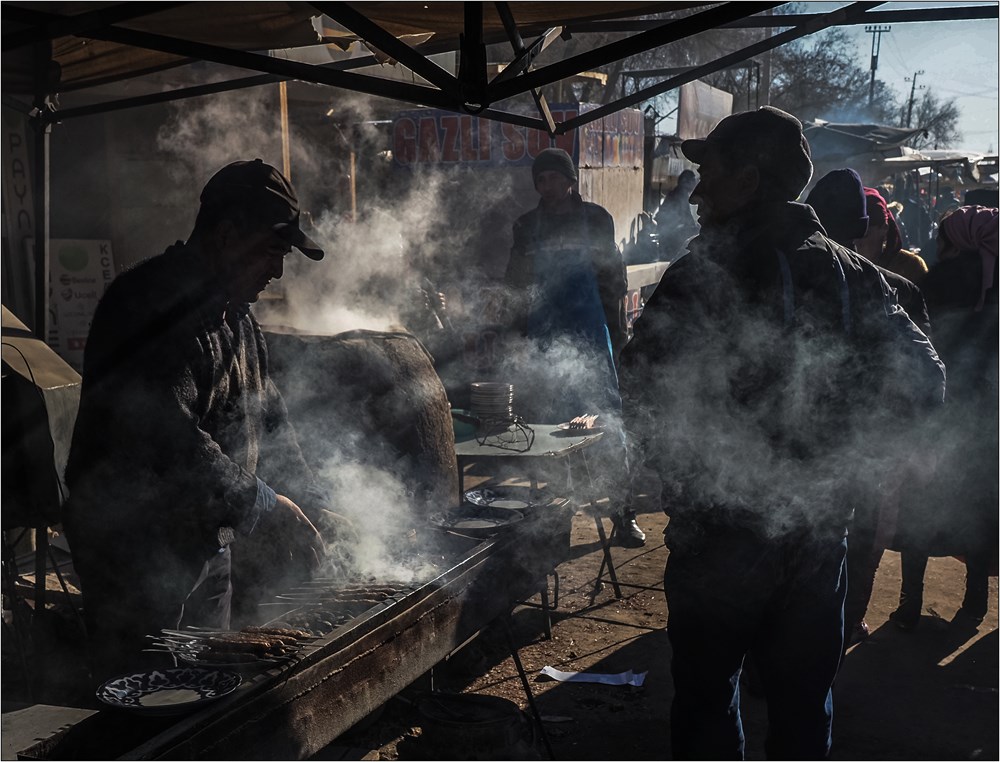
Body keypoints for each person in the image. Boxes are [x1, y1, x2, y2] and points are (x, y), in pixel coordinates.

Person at [619, 107, 944, 759]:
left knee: (709, 700)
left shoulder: (705, 270)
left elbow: (639, 381)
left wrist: (676, 459)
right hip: (820, 533)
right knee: (802, 710)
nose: (699, 189)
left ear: (749, 177)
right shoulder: (859, 275)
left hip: (722, 534)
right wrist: (853, 458)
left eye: (709, 172)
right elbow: (924, 381)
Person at [63, 159, 342, 683]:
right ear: (227, 233)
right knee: (148, 694)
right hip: (132, 549)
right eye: (271, 251)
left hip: (205, 540)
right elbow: (167, 441)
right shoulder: (146, 305)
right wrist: (266, 504)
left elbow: (271, 420)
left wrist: (315, 505)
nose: (278, 271)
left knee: (209, 689)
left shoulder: (236, 314)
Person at [805, 168, 936, 650]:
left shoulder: (893, 288)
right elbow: (930, 377)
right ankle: (833, 635)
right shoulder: (893, 289)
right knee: (857, 542)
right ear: (864, 229)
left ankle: (814, 639)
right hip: (863, 450)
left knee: (835, 544)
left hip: (829, 452)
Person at [503, 147, 644, 547]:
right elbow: (515, 283)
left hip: (590, 334)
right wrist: (517, 335)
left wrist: (615, 333)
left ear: (570, 180)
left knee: (606, 426)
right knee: (548, 429)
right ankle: (554, 520)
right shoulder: (527, 226)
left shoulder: (596, 219)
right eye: (540, 180)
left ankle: (622, 513)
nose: (547, 186)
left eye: (553, 178)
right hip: (545, 337)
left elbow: (613, 278)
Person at [890, 205, 999, 631]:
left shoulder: (935, 281)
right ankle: (974, 605)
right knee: (978, 509)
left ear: (957, 240)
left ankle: (908, 604)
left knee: (920, 505)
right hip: (985, 419)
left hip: (934, 410)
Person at [856, 187, 929, 286]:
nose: (856, 242)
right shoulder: (843, 265)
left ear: (884, 229)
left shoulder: (910, 267)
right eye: (852, 234)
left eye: (864, 234)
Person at [653, 168, 699, 262]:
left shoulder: (677, 192)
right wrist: (695, 227)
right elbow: (686, 216)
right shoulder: (681, 193)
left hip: (667, 236)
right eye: (693, 182)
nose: (695, 185)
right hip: (670, 237)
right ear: (686, 182)